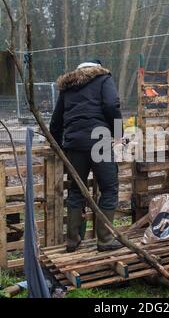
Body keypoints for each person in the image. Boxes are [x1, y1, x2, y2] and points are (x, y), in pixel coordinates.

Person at [50, 60, 123, 253]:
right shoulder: (103, 78)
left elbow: (55, 120)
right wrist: (117, 134)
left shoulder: (67, 87)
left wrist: (59, 146)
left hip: (74, 144)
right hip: (99, 140)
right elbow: (111, 105)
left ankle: (72, 241)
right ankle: (105, 240)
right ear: (97, 68)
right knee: (109, 189)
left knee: (76, 191)